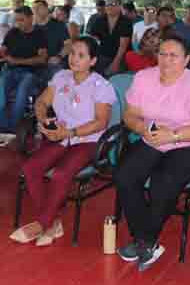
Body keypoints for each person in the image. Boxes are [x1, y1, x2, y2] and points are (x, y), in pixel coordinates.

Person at [116, 32, 190, 271]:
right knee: (125, 176)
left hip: (188, 142)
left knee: (163, 182)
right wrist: (144, 128)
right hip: (152, 137)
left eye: (174, 55)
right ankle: (145, 240)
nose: (167, 60)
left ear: (186, 60)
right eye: (163, 53)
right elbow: (129, 115)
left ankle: (145, 241)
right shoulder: (143, 77)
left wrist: (173, 135)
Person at [9, 37, 117, 246]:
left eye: (81, 55)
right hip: (59, 135)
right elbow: (41, 101)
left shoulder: (100, 85)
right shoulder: (61, 77)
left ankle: (41, 223)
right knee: (31, 168)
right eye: (72, 53)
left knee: (61, 174)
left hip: (87, 140)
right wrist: (43, 119)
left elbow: (101, 122)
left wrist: (70, 132)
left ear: (93, 61)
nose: (73, 59)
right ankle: (52, 221)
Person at [0, 6, 48, 146]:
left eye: (21, 20)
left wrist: (17, 61)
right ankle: (2, 127)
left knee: (22, 90)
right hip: (11, 70)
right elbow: (2, 50)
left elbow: (42, 59)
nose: (18, 23)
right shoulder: (12, 33)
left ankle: (11, 129)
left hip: (32, 73)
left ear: (31, 18)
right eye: (16, 20)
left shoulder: (39, 34)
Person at [89, 0, 132, 76]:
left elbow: (123, 47)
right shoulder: (99, 20)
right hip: (102, 55)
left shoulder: (126, 22)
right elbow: (93, 39)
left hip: (120, 57)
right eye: (107, 4)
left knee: (111, 75)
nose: (109, 7)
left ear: (120, 6)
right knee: (94, 75)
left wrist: (115, 64)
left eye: (113, 4)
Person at [33, 0, 71, 71]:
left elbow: (68, 45)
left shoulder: (59, 25)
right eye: (34, 8)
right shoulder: (32, 27)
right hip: (35, 62)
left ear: (47, 9)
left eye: (39, 8)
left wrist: (59, 56)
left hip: (54, 62)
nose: (36, 10)